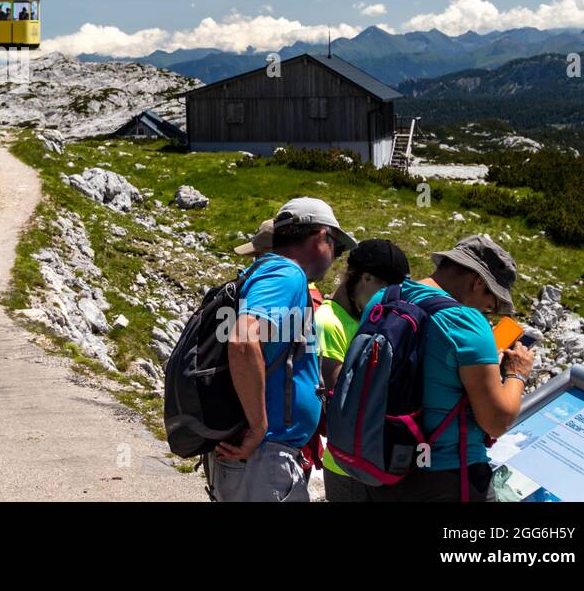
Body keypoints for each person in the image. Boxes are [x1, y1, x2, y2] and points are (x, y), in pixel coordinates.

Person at [205, 197, 355, 502]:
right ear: (320, 237)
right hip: (264, 456)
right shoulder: (288, 274)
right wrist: (259, 427)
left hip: (259, 457)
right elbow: (243, 340)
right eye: (336, 246)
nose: (336, 256)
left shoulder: (266, 273)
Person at [362, 234, 532, 502]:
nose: (488, 313)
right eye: (491, 306)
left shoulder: (384, 297)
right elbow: (497, 421)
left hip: (380, 461)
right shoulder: (464, 321)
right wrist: (516, 372)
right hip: (444, 475)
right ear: (477, 282)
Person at [315, 238, 410, 502]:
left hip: (370, 455)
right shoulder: (328, 322)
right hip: (347, 464)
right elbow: (338, 398)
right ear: (365, 278)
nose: (390, 299)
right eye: (386, 289)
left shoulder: (366, 318)